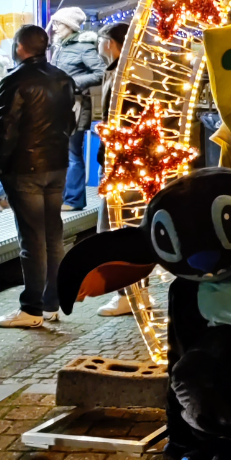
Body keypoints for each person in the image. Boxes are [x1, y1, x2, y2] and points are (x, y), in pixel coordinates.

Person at [0, 24, 76, 328]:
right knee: (53, 234)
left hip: (25, 169)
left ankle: (31, 309)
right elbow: (71, 121)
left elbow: (5, 128)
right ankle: (52, 304)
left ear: (19, 48)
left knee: (32, 239)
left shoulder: (13, 81)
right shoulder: (63, 79)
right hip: (57, 165)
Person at [48, 7, 105, 212]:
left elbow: (100, 72)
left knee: (72, 153)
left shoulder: (83, 47)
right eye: (53, 23)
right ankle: (65, 196)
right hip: (59, 105)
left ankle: (74, 199)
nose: (54, 28)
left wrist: (71, 82)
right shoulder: (59, 46)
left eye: (58, 24)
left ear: (70, 25)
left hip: (76, 106)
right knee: (61, 153)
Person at [93, 21, 133, 317]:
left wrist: (109, 134)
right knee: (117, 227)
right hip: (117, 159)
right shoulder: (117, 69)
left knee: (117, 227)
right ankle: (128, 293)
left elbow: (128, 119)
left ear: (111, 42)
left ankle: (127, 295)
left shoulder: (126, 74)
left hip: (124, 162)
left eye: (100, 40)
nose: (97, 45)